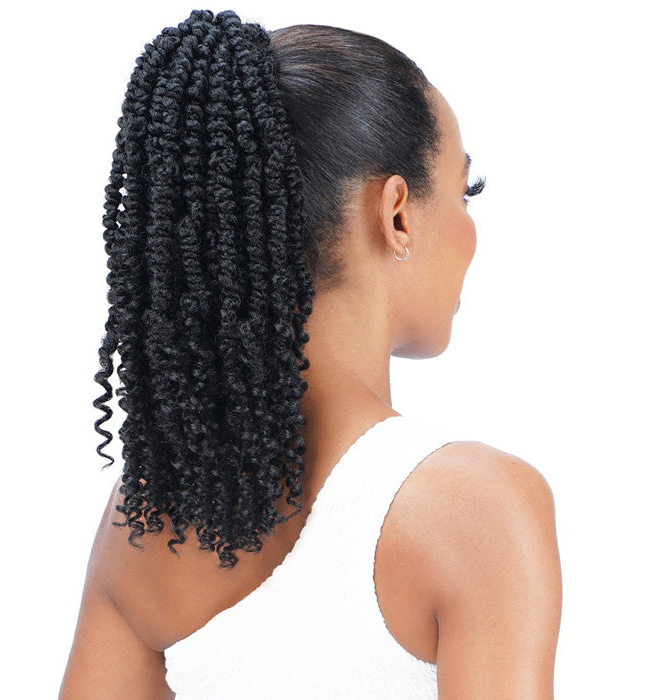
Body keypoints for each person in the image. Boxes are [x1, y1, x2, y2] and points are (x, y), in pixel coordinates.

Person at [59, 9, 562, 699]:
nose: (470, 230)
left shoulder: (151, 518)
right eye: (463, 192)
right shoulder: (477, 507)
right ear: (396, 213)